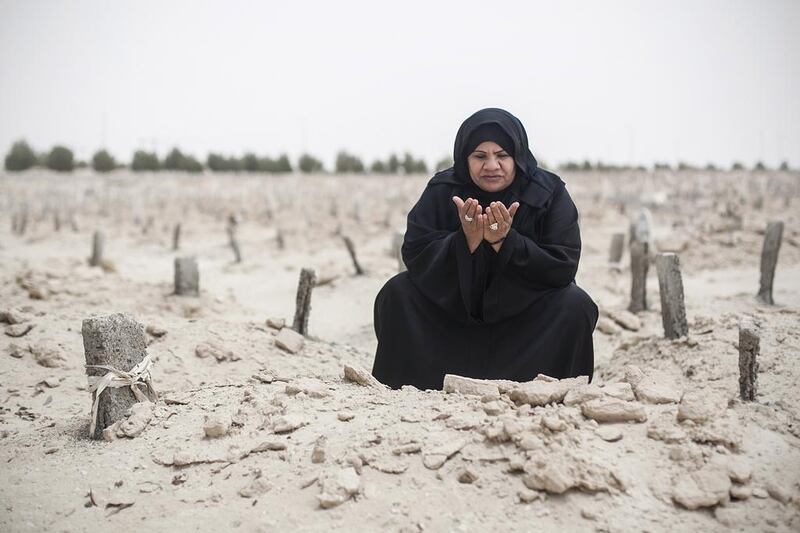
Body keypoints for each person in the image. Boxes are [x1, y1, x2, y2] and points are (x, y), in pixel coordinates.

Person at [371, 107, 598, 390]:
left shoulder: (548, 193)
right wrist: (464, 241)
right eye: (480, 156)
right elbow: (416, 252)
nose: (491, 165)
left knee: (575, 304)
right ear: (465, 158)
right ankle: (406, 388)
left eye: (502, 155)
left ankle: (550, 389)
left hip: (524, 325)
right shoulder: (443, 189)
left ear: (517, 155)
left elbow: (563, 264)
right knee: (398, 293)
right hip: (452, 322)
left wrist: (506, 242)